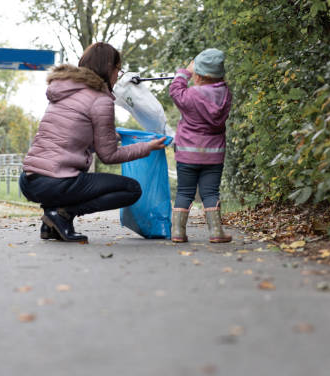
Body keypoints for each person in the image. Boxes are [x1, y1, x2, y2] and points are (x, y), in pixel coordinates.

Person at [19, 42, 166, 243]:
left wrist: (107, 136)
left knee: (75, 180)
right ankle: (62, 214)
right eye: (118, 69)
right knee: (131, 189)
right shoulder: (101, 100)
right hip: (56, 181)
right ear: (109, 68)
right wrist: (146, 147)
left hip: (29, 180)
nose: (118, 75)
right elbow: (109, 156)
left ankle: (51, 222)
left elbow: (71, 136)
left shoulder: (64, 91)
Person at [168, 48, 232, 244]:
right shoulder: (225, 95)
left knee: (184, 192)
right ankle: (216, 232)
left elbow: (175, 90)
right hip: (214, 154)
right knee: (210, 192)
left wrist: (184, 72)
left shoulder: (191, 95)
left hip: (187, 154)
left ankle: (178, 232)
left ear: (199, 75)